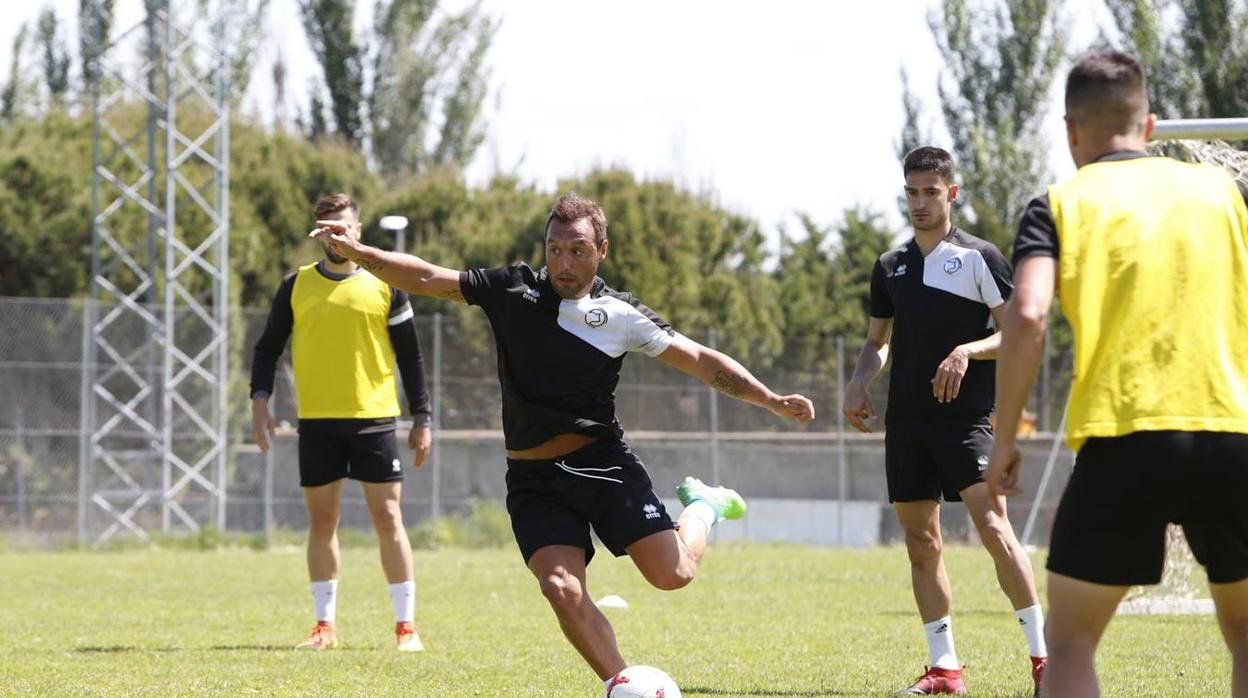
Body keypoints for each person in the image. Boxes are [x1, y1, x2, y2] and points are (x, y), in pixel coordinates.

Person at [310, 192, 815, 690]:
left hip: (602, 464)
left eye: (577, 250)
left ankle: (702, 508)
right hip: (534, 478)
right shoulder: (512, 291)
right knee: (559, 585)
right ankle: (621, 684)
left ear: (602, 251)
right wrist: (359, 253)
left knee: (672, 575)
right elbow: (424, 276)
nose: (563, 262)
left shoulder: (621, 315)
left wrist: (770, 399)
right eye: (554, 249)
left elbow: (702, 361)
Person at [987, 50, 1248, 698]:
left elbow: (1027, 312)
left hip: (1123, 437)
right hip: (1231, 433)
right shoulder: (1227, 192)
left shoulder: (1059, 203)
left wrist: (1004, 438)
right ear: (1151, 126)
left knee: (1072, 642)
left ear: (1070, 131)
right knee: (1245, 633)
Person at [843, 147, 1047, 696]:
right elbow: (876, 342)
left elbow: (1016, 334)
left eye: (930, 192)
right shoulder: (890, 266)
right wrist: (860, 379)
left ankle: (1043, 660)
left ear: (951, 193)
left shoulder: (980, 257)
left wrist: (966, 350)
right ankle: (945, 668)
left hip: (966, 420)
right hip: (907, 423)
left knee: (994, 530)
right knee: (920, 542)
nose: (919, 202)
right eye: (911, 192)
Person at [250, 193, 434, 652]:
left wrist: (422, 416)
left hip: (374, 420)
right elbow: (267, 349)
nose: (337, 234)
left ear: (358, 229)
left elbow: (411, 356)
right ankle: (323, 627)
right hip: (317, 423)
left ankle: (406, 628)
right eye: (328, 227)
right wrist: (260, 403)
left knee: (388, 517)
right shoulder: (296, 285)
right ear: (318, 231)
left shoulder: (386, 283)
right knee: (322, 522)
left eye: (344, 227)